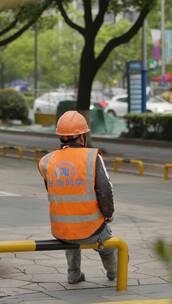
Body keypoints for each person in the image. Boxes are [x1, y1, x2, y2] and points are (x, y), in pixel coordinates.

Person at [37, 111, 117, 284]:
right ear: (82, 136)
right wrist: (108, 214)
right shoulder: (92, 158)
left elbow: (52, 190)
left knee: (71, 236)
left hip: (61, 230)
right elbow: (105, 190)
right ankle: (114, 273)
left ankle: (73, 273)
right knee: (109, 246)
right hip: (91, 229)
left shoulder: (48, 161)